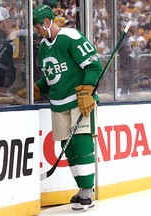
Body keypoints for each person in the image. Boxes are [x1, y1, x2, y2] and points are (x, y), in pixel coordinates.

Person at [18, 4, 103, 210]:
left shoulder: (70, 37)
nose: (36, 31)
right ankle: (81, 188)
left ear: (47, 22)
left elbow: (94, 65)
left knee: (82, 144)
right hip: (58, 105)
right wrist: (38, 88)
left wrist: (87, 90)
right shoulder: (43, 48)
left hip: (79, 101)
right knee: (68, 147)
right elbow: (51, 77)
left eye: (38, 26)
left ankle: (87, 191)